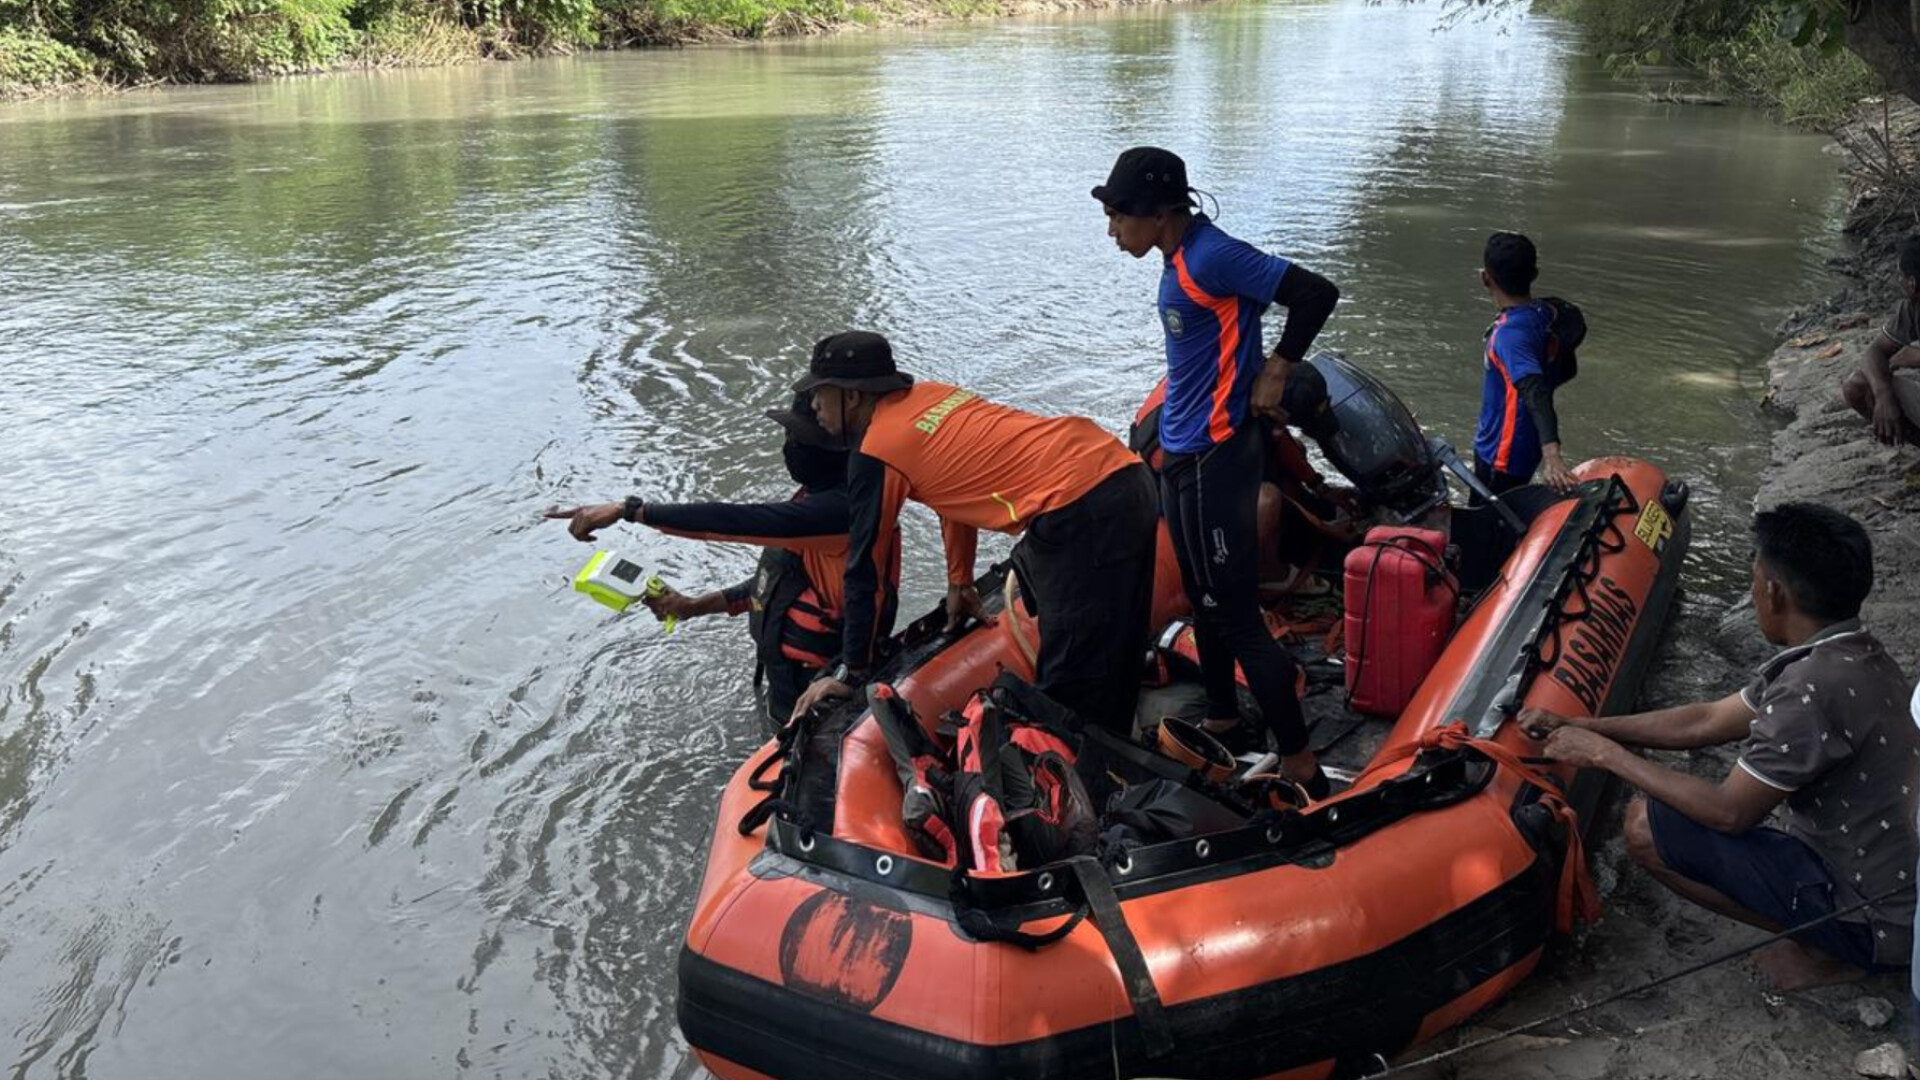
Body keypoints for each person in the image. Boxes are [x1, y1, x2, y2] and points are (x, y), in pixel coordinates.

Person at [1525, 503, 1918, 989]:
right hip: (1890, 879)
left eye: (1754, 580)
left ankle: (1831, 949)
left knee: (1646, 827)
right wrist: (1585, 724)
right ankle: (1835, 935)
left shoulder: (1810, 690)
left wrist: (1603, 755)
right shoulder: (1851, 654)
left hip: (1878, 915)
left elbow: (1730, 813)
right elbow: (1707, 720)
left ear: (1773, 592)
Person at [1094, 145, 1340, 793]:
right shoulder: (1180, 256)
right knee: (1204, 596)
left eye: (1119, 215)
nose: (1112, 229)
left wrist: (1281, 365)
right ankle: (1228, 715)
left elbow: (1315, 293)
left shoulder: (1212, 255)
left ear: (1158, 212)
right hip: (1182, 454)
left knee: (1232, 611)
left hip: (1217, 458)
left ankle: (1299, 762)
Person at [785, 331, 1159, 734]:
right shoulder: (931, 395)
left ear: (851, 396)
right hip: (1123, 471)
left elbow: (865, 568)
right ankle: (1117, 752)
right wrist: (959, 581)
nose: (813, 407)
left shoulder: (876, 450)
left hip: (1078, 508)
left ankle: (1078, 776)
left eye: (819, 394)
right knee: (1120, 644)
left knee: (1072, 675)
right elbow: (953, 494)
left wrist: (852, 670)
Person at [546, 393, 900, 726]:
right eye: (790, 436)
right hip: (788, 675)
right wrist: (690, 606)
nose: (791, 448)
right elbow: (781, 583)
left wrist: (631, 510)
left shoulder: (842, 515)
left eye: (802, 440)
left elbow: (727, 520)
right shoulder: (817, 498)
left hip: (819, 685)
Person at [1474, 232, 1577, 498]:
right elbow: (1565, 369)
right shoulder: (1548, 313)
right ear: (1534, 274)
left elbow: (1535, 389)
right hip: (1526, 443)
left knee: (1487, 521)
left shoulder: (1510, 337)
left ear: (1485, 277)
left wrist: (1552, 455)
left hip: (1501, 453)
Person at [1842, 234, 1920, 450]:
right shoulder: (1911, 309)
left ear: (1912, 283)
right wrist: (1883, 394)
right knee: (1857, 386)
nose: (1899, 281)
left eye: (1901, 276)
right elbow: (1874, 352)